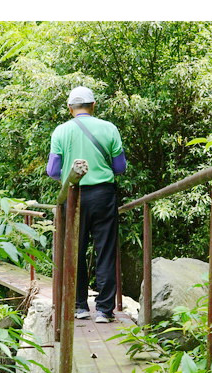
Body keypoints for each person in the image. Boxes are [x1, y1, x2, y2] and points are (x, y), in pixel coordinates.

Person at [47, 86, 127, 323]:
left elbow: (52, 170)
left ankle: (79, 306)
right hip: (103, 195)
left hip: (73, 196)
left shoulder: (61, 131)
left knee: (75, 250)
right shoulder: (109, 128)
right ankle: (104, 310)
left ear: (70, 108)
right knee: (105, 250)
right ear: (93, 106)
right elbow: (120, 168)